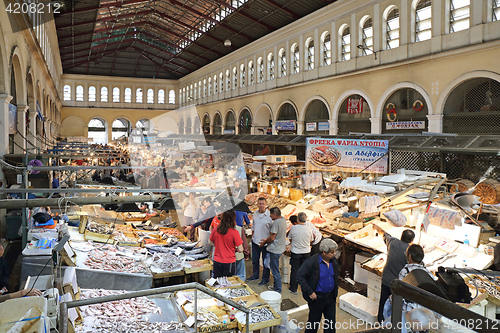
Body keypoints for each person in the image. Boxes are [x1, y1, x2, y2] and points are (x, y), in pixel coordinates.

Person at [372, 223, 415, 323]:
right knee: (395, 306)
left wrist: (377, 227)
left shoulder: (392, 242)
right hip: (397, 284)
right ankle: (391, 325)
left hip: (386, 279)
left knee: (383, 302)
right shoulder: (409, 252)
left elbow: (384, 234)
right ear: (412, 241)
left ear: (401, 237)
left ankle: (381, 322)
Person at [297, 239, 339, 333]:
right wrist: (310, 292)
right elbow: (300, 276)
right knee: (313, 324)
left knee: (331, 325)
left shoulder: (334, 261)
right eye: (332, 252)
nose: (334, 254)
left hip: (331, 298)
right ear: (324, 252)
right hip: (317, 299)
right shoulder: (311, 262)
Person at [209, 210, 243, 278]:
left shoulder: (216, 229)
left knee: (218, 283)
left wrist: (219, 246)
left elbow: (210, 242)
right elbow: (241, 249)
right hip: (229, 262)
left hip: (217, 261)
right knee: (228, 284)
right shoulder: (234, 232)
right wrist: (234, 249)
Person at [260, 207, 287, 293]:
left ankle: (278, 289)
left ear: (274, 214)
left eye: (271, 214)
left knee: (275, 271)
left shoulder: (276, 222)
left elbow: (272, 237)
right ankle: (276, 286)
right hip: (280, 248)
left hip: (275, 249)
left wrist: (264, 242)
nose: (270, 216)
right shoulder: (283, 220)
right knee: (272, 267)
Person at [287, 212, 314, 295]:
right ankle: (305, 289)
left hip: (296, 252)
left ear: (298, 219)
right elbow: (311, 239)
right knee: (305, 271)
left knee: (295, 271)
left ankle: (293, 289)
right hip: (306, 252)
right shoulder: (309, 228)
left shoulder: (294, 228)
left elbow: (290, 238)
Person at [248, 197, 272, 285]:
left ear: (266, 205)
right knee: (255, 260)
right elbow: (253, 226)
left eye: (263, 204)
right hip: (255, 241)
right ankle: (255, 275)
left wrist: (267, 240)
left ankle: (265, 279)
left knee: (266, 263)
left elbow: (273, 231)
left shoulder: (270, 216)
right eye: (260, 204)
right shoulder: (255, 214)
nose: (261, 205)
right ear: (257, 204)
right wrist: (252, 236)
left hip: (265, 243)